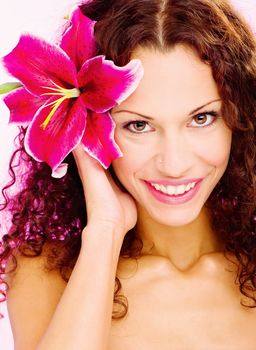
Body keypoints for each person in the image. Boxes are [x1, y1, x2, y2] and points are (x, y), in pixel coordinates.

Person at [1, 0, 256, 349]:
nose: (174, 163)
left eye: (201, 118)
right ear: (89, 129)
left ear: (240, 118)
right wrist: (106, 230)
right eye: (138, 125)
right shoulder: (43, 272)